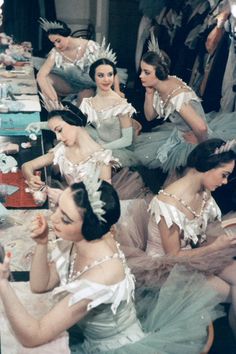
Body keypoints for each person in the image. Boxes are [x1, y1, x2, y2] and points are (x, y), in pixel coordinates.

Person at [0, 178, 223, 353]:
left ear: (90, 228)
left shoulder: (101, 276)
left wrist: (3, 283)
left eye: (66, 219)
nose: (54, 219)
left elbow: (34, 336)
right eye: (58, 207)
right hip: (88, 334)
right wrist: (41, 244)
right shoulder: (81, 240)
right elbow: (40, 285)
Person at [118, 138, 236, 337]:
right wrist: (215, 248)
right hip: (167, 269)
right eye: (224, 175)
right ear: (208, 166)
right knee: (232, 292)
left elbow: (204, 230)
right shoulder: (169, 204)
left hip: (197, 253)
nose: (225, 182)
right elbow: (173, 256)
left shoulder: (203, 189)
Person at [133, 42, 236, 173]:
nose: (141, 76)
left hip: (197, 139)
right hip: (179, 134)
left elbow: (201, 127)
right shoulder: (161, 86)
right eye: (142, 71)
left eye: (146, 72)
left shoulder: (176, 97)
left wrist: (203, 150)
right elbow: (149, 116)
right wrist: (149, 92)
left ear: (159, 73)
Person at [22, 101, 114, 204]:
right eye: (55, 132)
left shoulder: (102, 158)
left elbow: (105, 203)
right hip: (67, 203)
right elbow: (27, 166)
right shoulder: (62, 149)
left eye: (60, 130)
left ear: (74, 122)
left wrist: (64, 199)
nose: (58, 137)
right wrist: (31, 178)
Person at [36, 18, 123, 106]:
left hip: (88, 86)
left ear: (66, 35)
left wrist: (117, 90)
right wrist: (53, 100)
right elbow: (41, 75)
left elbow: (109, 67)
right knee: (44, 79)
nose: (57, 45)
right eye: (53, 43)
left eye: (58, 41)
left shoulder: (90, 46)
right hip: (70, 85)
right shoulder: (56, 51)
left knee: (83, 100)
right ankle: (55, 109)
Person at [80, 58, 142, 167]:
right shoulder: (88, 102)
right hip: (98, 141)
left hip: (116, 149)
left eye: (110, 74)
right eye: (101, 75)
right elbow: (74, 123)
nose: (106, 79)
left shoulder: (119, 104)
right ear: (93, 77)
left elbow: (127, 140)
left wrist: (102, 148)